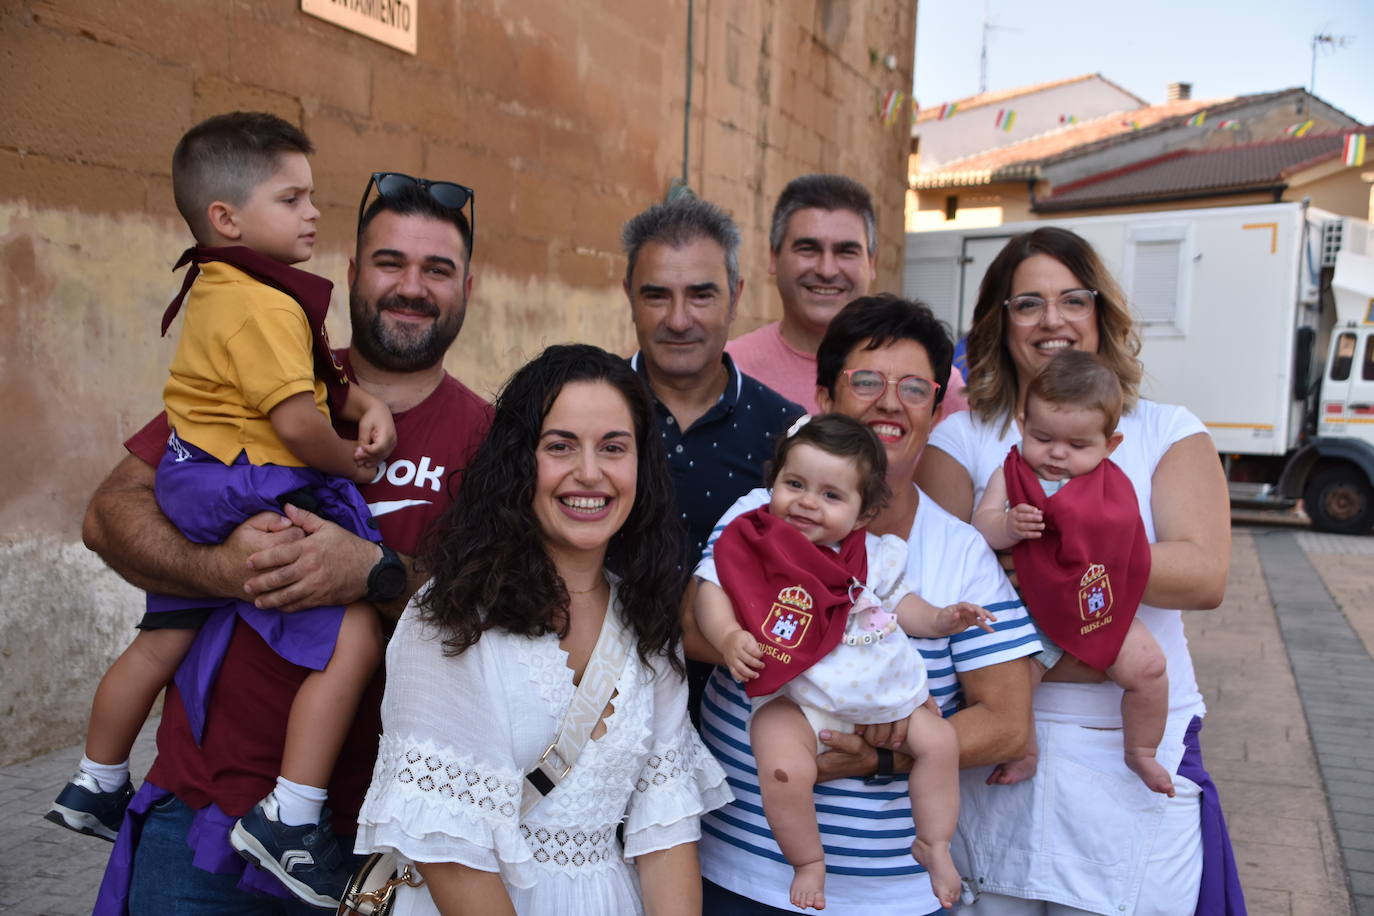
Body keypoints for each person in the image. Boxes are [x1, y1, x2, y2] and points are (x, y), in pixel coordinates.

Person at [86, 173, 491, 915]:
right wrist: (221, 568)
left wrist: (374, 572)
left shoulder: (494, 440)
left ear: (468, 285)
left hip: (378, 843)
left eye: (437, 270)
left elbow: (509, 610)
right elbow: (110, 513)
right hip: (203, 810)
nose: (412, 287)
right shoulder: (265, 372)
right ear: (351, 272)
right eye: (390, 263)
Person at [48, 113, 395, 909]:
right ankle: (291, 819)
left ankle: (94, 780)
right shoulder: (269, 306)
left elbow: (320, 381)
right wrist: (354, 461)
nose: (311, 212)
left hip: (193, 475)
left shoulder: (225, 287)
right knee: (354, 631)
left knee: (164, 633)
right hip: (248, 480)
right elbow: (300, 422)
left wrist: (361, 396)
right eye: (292, 198)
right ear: (227, 218)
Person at [917, 227, 1240, 915]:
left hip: (1127, 748)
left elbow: (1204, 573)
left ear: (1102, 315)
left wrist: (1044, 564)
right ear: (998, 323)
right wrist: (1081, 567)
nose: (1052, 320)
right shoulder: (964, 436)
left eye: (1072, 299)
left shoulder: (1164, 430)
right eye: (1027, 303)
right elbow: (940, 577)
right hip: (1003, 737)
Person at [689, 294, 1040, 916]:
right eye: (867, 381)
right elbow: (691, 624)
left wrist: (883, 755)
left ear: (936, 409)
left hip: (889, 895)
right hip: (736, 871)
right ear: (824, 397)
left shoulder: (958, 553)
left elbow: (1009, 722)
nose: (889, 402)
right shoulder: (761, 513)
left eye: (913, 388)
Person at [354, 344, 731, 915]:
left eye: (613, 447)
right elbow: (451, 858)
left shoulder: (647, 617)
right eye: (560, 446)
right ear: (518, 460)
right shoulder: (450, 617)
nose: (589, 472)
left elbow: (665, 832)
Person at [694, 413, 997, 911]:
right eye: (795, 485)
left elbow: (907, 608)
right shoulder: (750, 541)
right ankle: (808, 860)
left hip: (878, 699)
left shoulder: (872, 556)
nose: (809, 502)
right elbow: (711, 593)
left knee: (940, 742)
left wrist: (945, 618)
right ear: (773, 484)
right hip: (795, 699)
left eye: (832, 496)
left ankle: (934, 842)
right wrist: (728, 637)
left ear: (861, 515)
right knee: (782, 769)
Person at [620, 195, 804, 718]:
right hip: (598, 723)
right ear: (628, 296)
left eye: (701, 295)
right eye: (657, 296)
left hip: (745, 732)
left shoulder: (788, 433)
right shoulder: (585, 411)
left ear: (736, 295)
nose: (679, 320)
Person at [971, 351, 1172, 796]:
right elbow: (980, 528)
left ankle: (1142, 750)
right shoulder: (1011, 473)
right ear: (1022, 424)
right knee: (1012, 685)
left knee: (1152, 668)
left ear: (1110, 445)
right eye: (1043, 437)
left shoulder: (1112, 485)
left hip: (1097, 601)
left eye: (1079, 446)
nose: (1058, 454)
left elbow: (1124, 545)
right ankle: (1023, 752)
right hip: (1033, 610)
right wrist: (1005, 526)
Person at [727, 174, 969, 418]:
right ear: (773, 257)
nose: (827, 270)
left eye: (846, 252)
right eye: (808, 249)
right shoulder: (727, 371)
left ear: (871, 262)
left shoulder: (929, 383)